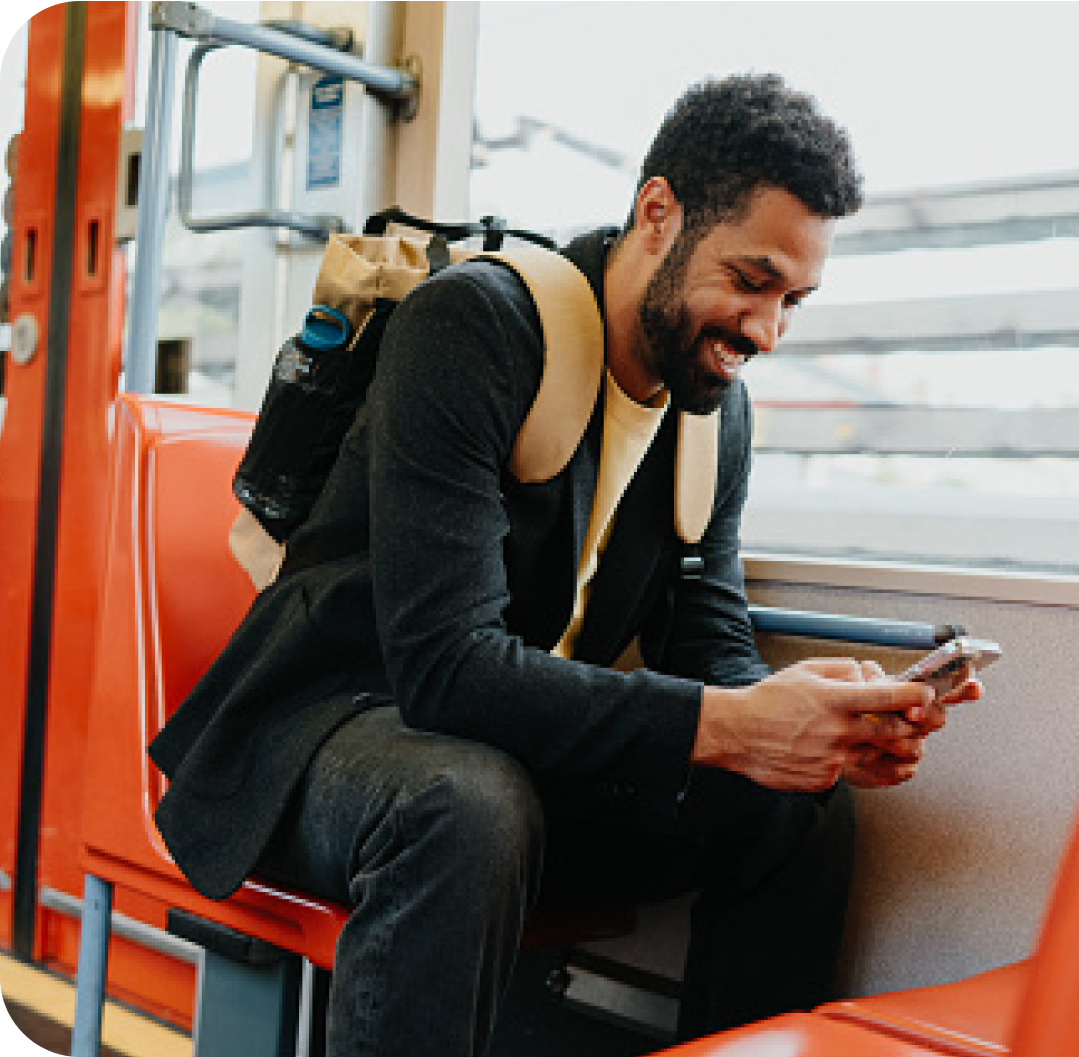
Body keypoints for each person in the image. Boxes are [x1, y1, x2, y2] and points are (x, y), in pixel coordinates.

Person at [149, 73, 981, 1056]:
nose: (764, 332)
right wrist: (731, 725)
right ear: (658, 213)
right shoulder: (473, 327)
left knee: (795, 810)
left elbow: (707, 642)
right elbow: (444, 669)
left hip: (496, 751)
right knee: (463, 802)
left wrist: (799, 722)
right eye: (750, 281)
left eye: (793, 300)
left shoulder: (711, 406)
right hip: (324, 731)